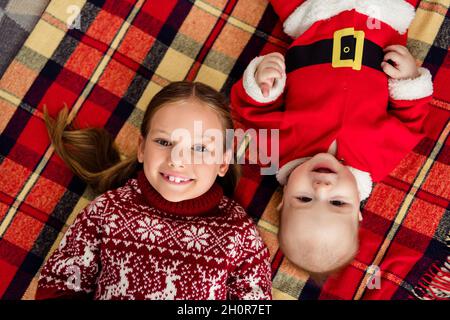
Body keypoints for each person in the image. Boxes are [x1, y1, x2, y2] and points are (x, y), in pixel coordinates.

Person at [231, 0, 433, 276]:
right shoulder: (377, 161)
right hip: (379, 18)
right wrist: (409, 79)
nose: (322, 186)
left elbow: (251, 111)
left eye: (304, 198)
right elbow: (411, 121)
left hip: (313, 14)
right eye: (337, 203)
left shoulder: (276, 151)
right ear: (358, 211)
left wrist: (264, 83)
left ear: (283, 198)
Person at [36, 81, 272, 299]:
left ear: (223, 162)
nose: (177, 160)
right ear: (141, 148)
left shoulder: (238, 235)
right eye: (164, 142)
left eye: (199, 148)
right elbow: (59, 283)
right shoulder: (108, 211)